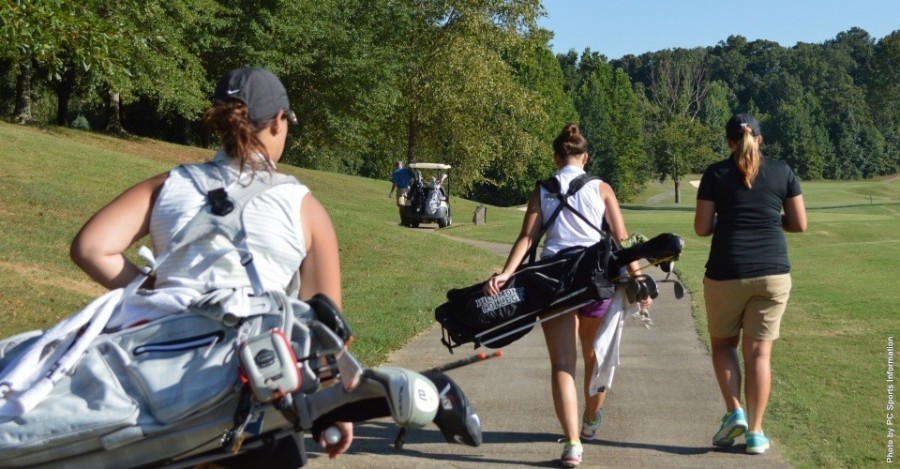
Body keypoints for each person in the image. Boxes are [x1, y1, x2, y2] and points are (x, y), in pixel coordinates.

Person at [69, 66, 353, 460]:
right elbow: (324, 325)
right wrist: (333, 407)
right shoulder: (302, 206)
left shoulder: (172, 184)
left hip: (163, 394)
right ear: (277, 122)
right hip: (258, 395)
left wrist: (153, 289)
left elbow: (91, 247)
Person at [482, 123, 651, 467]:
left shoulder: (543, 189)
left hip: (553, 284)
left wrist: (506, 273)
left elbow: (527, 238)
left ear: (556, 157)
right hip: (594, 282)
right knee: (595, 356)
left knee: (562, 364)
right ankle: (590, 423)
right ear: (585, 158)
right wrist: (640, 280)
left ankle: (572, 444)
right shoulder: (602, 188)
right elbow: (622, 238)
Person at [694, 113, 807, 455]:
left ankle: (735, 412)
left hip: (727, 269)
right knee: (760, 354)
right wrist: (769, 216)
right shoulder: (782, 171)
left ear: (729, 141)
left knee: (724, 345)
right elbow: (799, 223)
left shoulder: (716, 174)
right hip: (773, 272)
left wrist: (727, 219)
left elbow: (702, 227)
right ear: (759, 138)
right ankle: (756, 434)